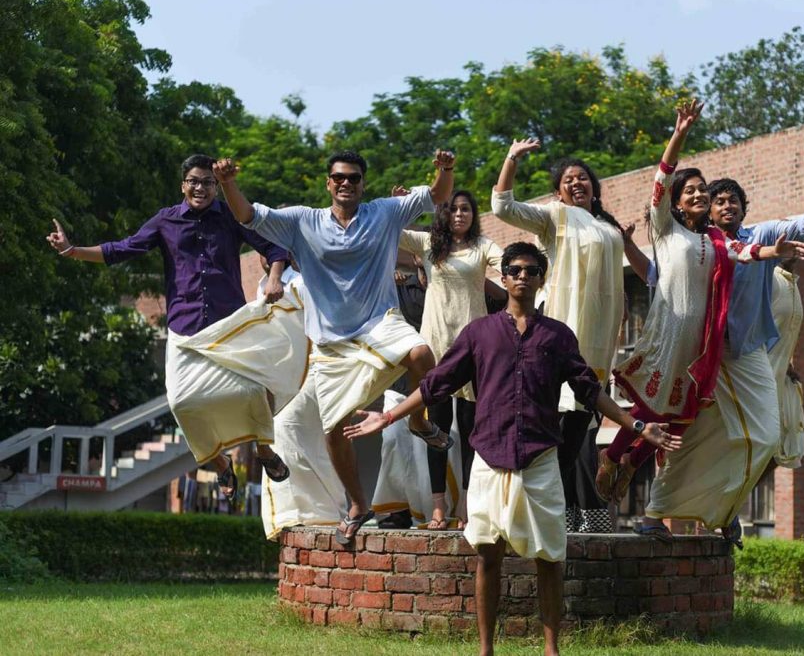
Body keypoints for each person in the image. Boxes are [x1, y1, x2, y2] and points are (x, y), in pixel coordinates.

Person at [344, 242, 680, 656]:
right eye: (515, 270)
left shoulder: (558, 336)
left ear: (541, 279)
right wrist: (388, 417)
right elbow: (436, 384)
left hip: (540, 458)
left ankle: (551, 650)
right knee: (487, 555)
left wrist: (637, 425)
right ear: (502, 278)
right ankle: (486, 650)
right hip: (489, 456)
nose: (523, 276)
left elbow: (590, 390)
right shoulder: (479, 333)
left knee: (550, 557)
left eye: (531, 270)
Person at [214, 148, 456, 545]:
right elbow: (248, 215)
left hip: (380, 325)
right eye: (339, 177)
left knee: (422, 355)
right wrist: (227, 183)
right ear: (328, 183)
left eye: (354, 178)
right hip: (330, 345)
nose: (346, 183)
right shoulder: (302, 221)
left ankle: (417, 420)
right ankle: (358, 505)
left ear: (363, 184)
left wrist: (445, 169)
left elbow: (436, 195)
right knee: (333, 431)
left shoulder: (384, 212)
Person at [596, 103, 804, 541]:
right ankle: (614, 457)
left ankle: (632, 463)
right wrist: (679, 133)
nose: (697, 195)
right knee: (653, 406)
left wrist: (776, 251)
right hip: (666, 336)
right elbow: (661, 178)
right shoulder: (665, 229)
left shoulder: (714, 238)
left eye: (701, 191)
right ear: (675, 202)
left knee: (680, 417)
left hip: (700, 347)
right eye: (689, 191)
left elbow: (744, 252)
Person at [645, 151, 804, 548]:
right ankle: (653, 515)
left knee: (765, 437)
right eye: (718, 200)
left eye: (734, 200)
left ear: (745, 209)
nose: (726, 205)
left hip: (747, 351)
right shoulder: (696, 244)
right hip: (702, 355)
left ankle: (724, 512)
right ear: (707, 209)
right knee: (689, 437)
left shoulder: (760, 235)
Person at [45, 153, 292, 499]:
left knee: (252, 391)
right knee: (180, 402)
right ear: (182, 185)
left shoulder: (230, 216)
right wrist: (73, 251)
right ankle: (219, 463)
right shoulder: (165, 221)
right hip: (183, 325)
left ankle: (264, 450)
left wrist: (275, 278)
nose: (200, 188)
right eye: (194, 181)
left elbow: (274, 248)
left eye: (208, 182)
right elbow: (123, 248)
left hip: (229, 325)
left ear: (216, 186)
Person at [492, 140, 634, 532]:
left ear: (594, 187)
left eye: (582, 177)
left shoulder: (608, 227)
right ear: (558, 192)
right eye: (568, 179)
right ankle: (547, 510)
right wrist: (512, 159)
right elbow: (502, 207)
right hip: (560, 328)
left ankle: (567, 513)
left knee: (584, 421)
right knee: (555, 418)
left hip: (600, 335)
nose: (576, 183)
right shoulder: (555, 217)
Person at [398, 189, 504, 529]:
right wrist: (404, 206)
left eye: (466, 209)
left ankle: (467, 507)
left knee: (473, 430)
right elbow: (392, 230)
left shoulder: (482, 246)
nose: (460, 214)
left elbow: (509, 263)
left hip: (474, 349)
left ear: (473, 215)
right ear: (444, 214)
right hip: (436, 347)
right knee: (437, 429)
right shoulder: (429, 244)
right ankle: (439, 507)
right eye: (454, 209)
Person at [769, 260, 804, 468]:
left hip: (781, 381)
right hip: (758, 380)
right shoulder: (769, 279)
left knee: (783, 452)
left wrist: (788, 366)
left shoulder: (793, 284)